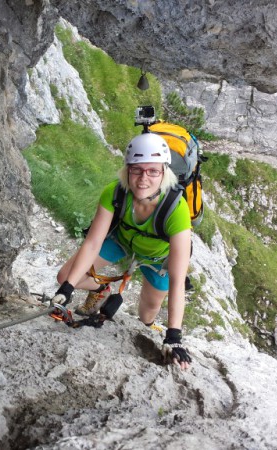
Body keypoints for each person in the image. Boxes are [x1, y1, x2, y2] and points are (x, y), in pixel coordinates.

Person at [52, 132, 193, 370]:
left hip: (158, 259)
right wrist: (67, 288)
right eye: (137, 170)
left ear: (164, 172)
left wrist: (174, 337)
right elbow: (92, 243)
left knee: (147, 313)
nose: (143, 179)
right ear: (127, 169)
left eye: (153, 171)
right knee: (65, 276)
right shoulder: (115, 192)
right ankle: (101, 290)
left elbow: (177, 281)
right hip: (122, 241)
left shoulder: (176, 211)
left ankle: (149, 326)